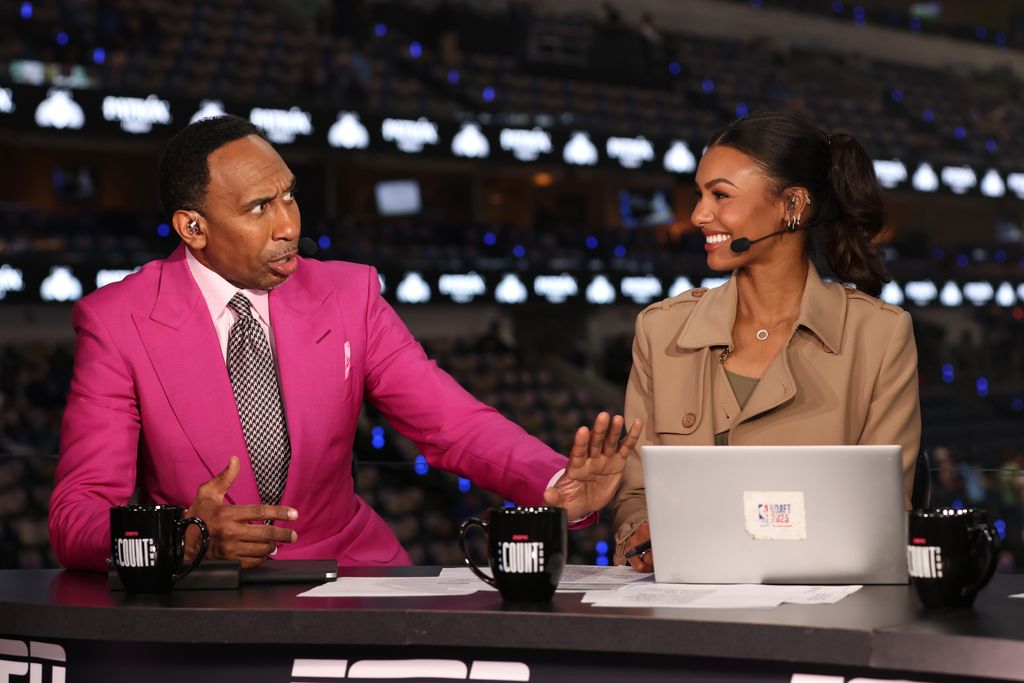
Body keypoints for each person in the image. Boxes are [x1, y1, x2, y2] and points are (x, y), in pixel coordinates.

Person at [49, 115, 641, 571]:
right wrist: (184, 537)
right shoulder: (116, 321)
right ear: (193, 227)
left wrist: (555, 483)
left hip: (350, 570)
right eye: (259, 208)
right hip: (201, 590)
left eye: (289, 195)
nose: (289, 225)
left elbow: (451, 423)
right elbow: (77, 516)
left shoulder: (350, 293)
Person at [612, 112, 921, 571]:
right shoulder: (660, 330)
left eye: (720, 195)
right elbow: (636, 495)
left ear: (792, 204)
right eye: (699, 195)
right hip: (686, 598)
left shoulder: (879, 334)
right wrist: (639, 532)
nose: (698, 216)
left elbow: (884, 512)